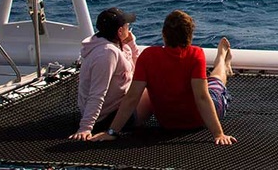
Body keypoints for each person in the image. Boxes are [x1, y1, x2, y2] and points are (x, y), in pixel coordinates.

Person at [93, 10, 236, 146]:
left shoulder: (148, 56)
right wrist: (218, 134)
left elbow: (132, 97)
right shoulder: (195, 55)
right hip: (198, 121)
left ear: (164, 34)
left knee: (210, 83)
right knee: (216, 82)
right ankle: (222, 59)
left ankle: (222, 59)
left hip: (167, 122)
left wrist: (111, 132)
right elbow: (202, 98)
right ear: (190, 36)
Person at [69, 7, 141, 140]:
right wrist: (85, 127)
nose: (129, 28)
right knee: (151, 91)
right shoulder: (106, 54)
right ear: (120, 31)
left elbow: (138, 70)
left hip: (113, 107)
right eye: (127, 26)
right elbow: (97, 93)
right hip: (107, 118)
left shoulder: (116, 45)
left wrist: (131, 43)